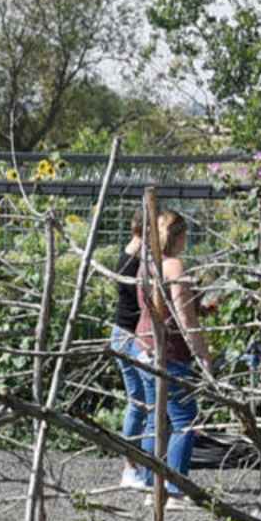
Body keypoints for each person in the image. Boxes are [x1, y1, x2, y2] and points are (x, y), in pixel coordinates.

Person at [122, 206, 210, 493]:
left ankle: (150, 484)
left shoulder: (146, 262)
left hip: (142, 345)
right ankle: (174, 490)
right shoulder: (173, 266)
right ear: (178, 236)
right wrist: (203, 356)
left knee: (155, 416)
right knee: (185, 420)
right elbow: (185, 318)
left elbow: (164, 307)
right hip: (168, 352)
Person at [107, 206, 156, 480]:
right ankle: (138, 470)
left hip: (122, 333)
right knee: (145, 404)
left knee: (138, 402)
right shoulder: (135, 262)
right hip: (131, 336)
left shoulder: (127, 255)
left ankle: (133, 468)